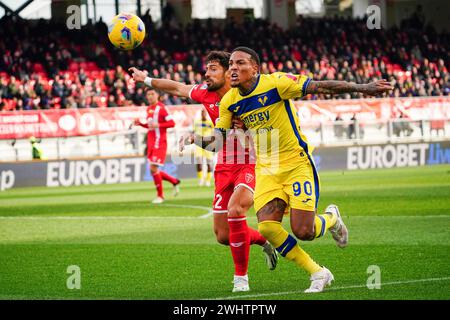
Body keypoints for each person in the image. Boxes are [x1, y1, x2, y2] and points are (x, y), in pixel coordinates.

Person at [203, 46, 393, 293]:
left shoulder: (276, 83)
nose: (234, 69)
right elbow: (219, 141)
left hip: (296, 163)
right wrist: (194, 140)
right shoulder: (230, 101)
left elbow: (320, 86)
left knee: (304, 231)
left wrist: (362, 87)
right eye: (231, 65)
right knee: (267, 227)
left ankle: (332, 218)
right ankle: (318, 272)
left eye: (240, 64)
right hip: (267, 170)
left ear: (255, 68)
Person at [129, 51, 278, 293]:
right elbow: (177, 88)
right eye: (206, 69)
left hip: (251, 161)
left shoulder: (248, 92)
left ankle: (241, 279)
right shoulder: (205, 93)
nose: (206, 74)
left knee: (237, 209)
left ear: (228, 73)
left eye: (212, 69)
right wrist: (146, 79)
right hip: (224, 164)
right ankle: (264, 241)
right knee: (222, 235)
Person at [132, 88, 180, 204]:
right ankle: (174, 181)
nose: (149, 96)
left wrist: (159, 124)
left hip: (160, 142)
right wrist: (140, 124)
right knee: (153, 169)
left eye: (152, 94)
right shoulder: (149, 109)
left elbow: (172, 123)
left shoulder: (162, 108)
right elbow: (150, 126)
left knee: (153, 168)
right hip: (151, 142)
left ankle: (160, 196)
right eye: (148, 94)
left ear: (158, 95)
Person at [194, 109, 214, 186]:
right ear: (201, 114)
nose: (203, 114)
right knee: (199, 162)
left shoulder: (210, 122)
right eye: (202, 113)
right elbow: (194, 132)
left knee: (209, 163)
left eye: (205, 113)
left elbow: (215, 132)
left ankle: (208, 180)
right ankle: (201, 179)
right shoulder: (197, 122)